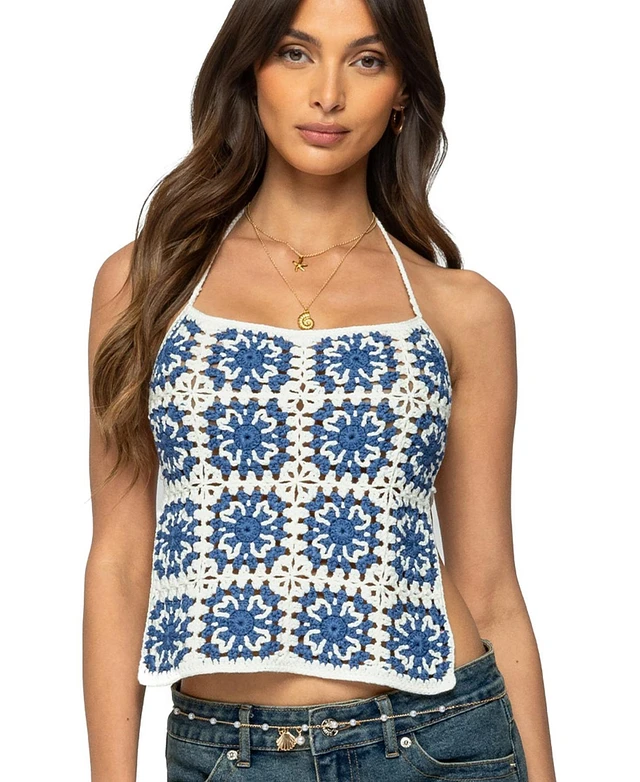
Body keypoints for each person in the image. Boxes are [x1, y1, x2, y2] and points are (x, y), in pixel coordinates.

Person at [84, 0, 556, 780]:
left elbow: (491, 585)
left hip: (437, 742)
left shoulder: (461, 309)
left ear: (402, 93)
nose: (328, 94)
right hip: (228, 753)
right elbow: (120, 560)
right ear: (251, 71)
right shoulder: (146, 285)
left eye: (367, 61)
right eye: (296, 53)